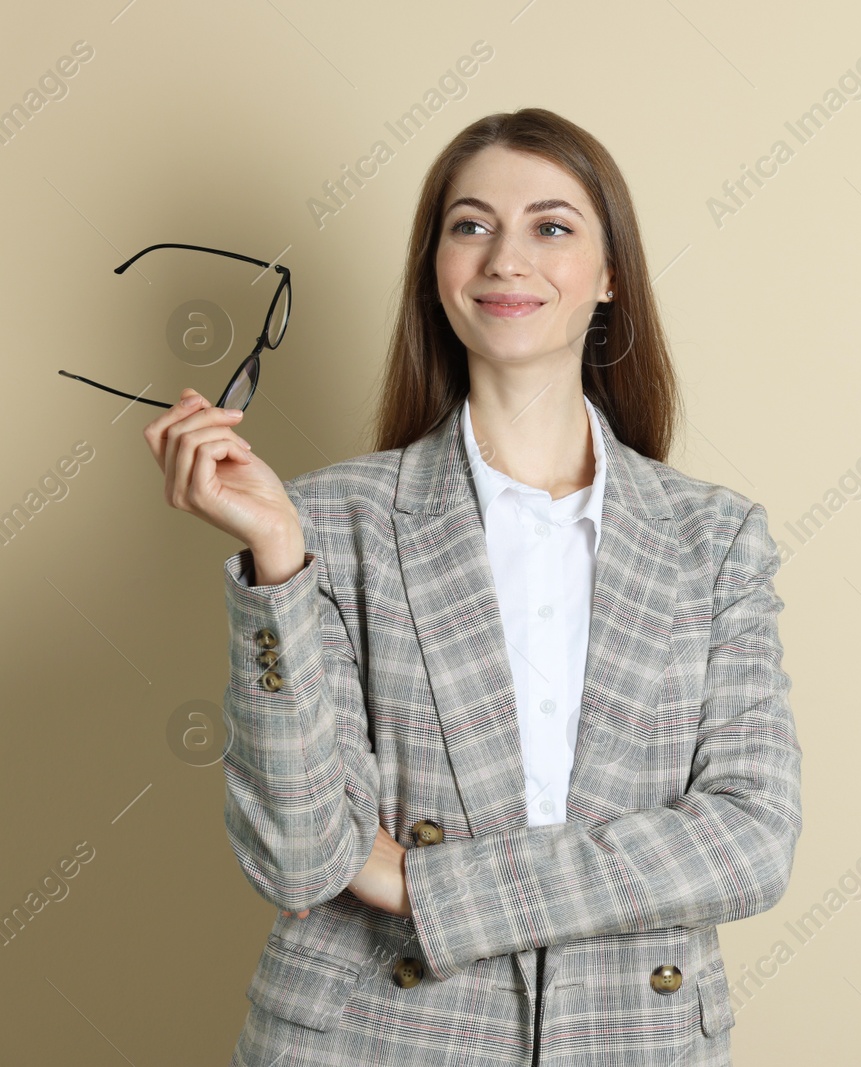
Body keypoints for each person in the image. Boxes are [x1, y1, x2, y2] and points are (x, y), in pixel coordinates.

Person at [143, 107, 802, 1066]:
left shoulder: (716, 538)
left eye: (551, 225)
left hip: (629, 1038)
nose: (506, 258)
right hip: (374, 1038)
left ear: (610, 274)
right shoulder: (326, 521)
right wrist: (276, 560)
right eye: (471, 225)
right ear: (436, 270)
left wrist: (419, 883)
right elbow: (299, 855)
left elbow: (749, 839)